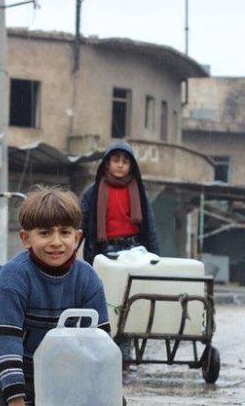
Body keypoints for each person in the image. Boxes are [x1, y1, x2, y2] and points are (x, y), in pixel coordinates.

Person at [0, 185, 112, 406]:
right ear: (26, 238)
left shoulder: (88, 278)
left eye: (64, 232)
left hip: (61, 372)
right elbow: (7, 341)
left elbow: (99, 345)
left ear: (77, 237)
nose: (56, 241)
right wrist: (16, 401)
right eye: (45, 233)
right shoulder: (14, 275)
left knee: (113, 400)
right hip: (6, 367)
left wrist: (95, 390)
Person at [79, 140, 161, 367]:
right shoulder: (93, 192)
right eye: (116, 160)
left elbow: (150, 226)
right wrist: (68, 250)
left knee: (130, 299)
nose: (120, 165)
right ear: (106, 163)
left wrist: (157, 258)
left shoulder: (139, 191)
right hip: (105, 253)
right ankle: (102, 345)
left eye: (125, 161)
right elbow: (80, 224)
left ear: (132, 165)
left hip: (135, 252)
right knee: (105, 300)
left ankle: (123, 348)